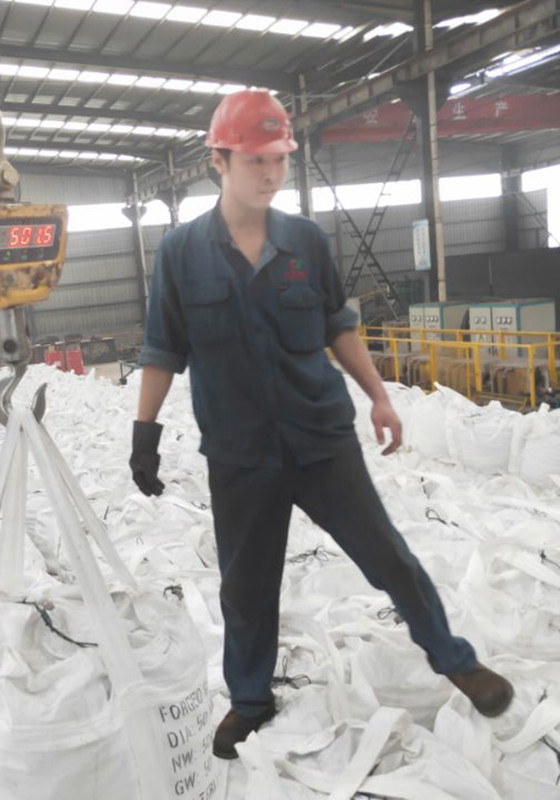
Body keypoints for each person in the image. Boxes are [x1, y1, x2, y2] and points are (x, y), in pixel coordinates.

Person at [129, 89, 514, 760]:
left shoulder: (304, 240)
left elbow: (339, 324)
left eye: (279, 159)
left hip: (321, 439)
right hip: (240, 454)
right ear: (219, 160)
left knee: (390, 556)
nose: (271, 174)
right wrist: (145, 433)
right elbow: (163, 348)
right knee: (246, 590)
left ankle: (454, 660)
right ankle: (250, 701)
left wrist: (379, 397)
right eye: (255, 160)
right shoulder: (181, 253)